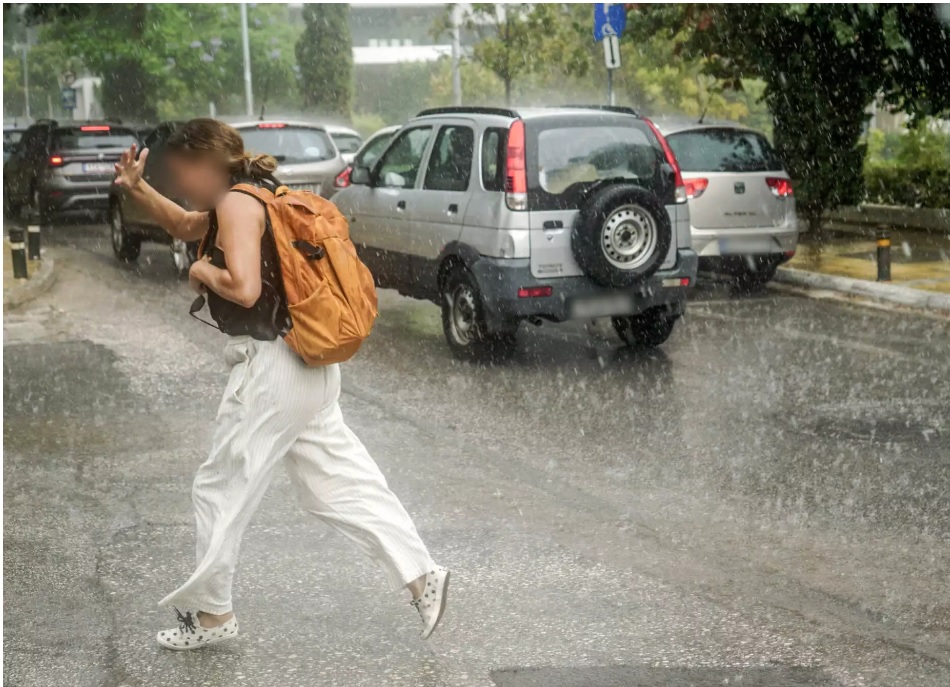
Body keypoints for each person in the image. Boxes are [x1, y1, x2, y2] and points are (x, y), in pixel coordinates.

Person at [113, 118, 448, 650]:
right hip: (308, 365)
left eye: (182, 175)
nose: (181, 187)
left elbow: (243, 290)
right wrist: (138, 188)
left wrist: (201, 275)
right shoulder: (259, 194)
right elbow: (182, 224)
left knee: (218, 486)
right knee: (336, 481)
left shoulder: (236, 205)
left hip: (272, 368)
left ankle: (213, 617)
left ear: (206, 163)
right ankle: (421, 574)